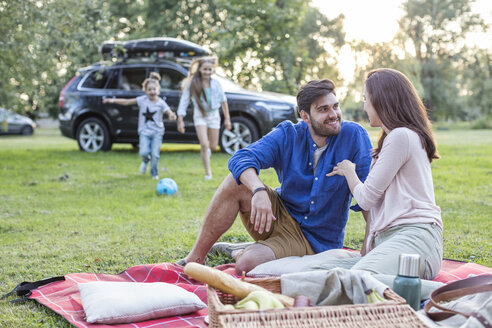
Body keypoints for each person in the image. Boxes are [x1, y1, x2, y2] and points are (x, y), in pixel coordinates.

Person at [177, 79, 374, 275]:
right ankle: (194, 259)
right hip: (277, 214)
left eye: (335, 107)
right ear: (305, 116)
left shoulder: (354, 136)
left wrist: (368, 248)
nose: (333, 115)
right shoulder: (289, 134)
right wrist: (259, 190)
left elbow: (366, 195)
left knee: (246, 264)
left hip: (314, 240)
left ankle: (239, 251)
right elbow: (241, 158)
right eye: (323, 109)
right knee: (235, 181)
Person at [316, 68, 443, 279]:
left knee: (353, 280)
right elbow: (379, 207)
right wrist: (369, 245)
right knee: (312, 273)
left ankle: (439, 293)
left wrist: (349, 171)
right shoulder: (394, 138)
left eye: (366, 99)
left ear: (381, 100)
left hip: (415, 239)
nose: (364, 106)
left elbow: (365, 199)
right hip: (389, 241)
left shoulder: (402, 136)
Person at [103, 72, 176, 179]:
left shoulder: (161, 103)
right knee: (143, 152)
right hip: (144, 132)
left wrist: (172, 115)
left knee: (155, 155)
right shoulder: (142, 100)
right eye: (149, 89)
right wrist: (112, 100)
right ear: (145, 91)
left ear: (158, 90)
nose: (152, 92)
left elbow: (168, 111)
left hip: (157, 132)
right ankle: (145, 161)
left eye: (154, 89)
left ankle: (154, 173)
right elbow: (126, 102)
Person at [176, 56, 232, 180]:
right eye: (205, 69)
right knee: (204, 144)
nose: (207, 72)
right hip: (200, 115)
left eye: (209, 69)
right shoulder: (193, 83)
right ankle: (208, 173)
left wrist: (227, 119)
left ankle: (208, 151)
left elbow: (224, 102)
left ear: (213, 70)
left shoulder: (216, 84)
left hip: (213, 115)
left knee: (212, 146)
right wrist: (180, 119)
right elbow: (184, 101)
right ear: (200, 69)